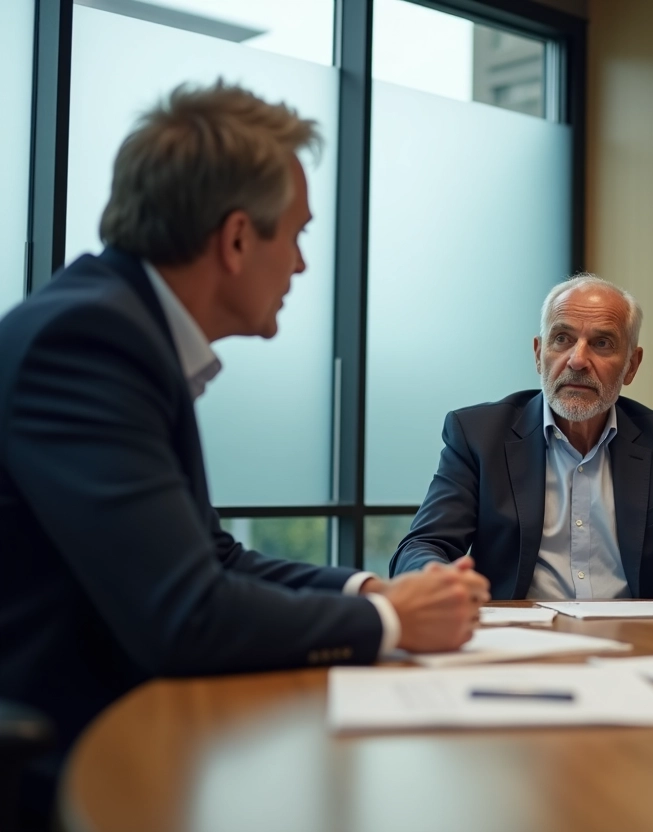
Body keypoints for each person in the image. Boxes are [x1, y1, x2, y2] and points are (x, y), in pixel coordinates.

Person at [0, 82, 488, 826]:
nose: (298, 265)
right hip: (66, 754)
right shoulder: (91, 343)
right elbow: (187, 615)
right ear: (234, 240)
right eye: (294, 235)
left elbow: (211, 558)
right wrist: (391, 625)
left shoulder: (121, 323)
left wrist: (369, 593)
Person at [390, 274, 653, 610]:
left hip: (639, 648)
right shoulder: (479, 435)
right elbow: (423, 545)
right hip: (518, 647)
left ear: (631, 365)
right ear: (538, 353)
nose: (578, 360)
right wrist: (436, 579)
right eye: (562, 339)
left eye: (602, 343)